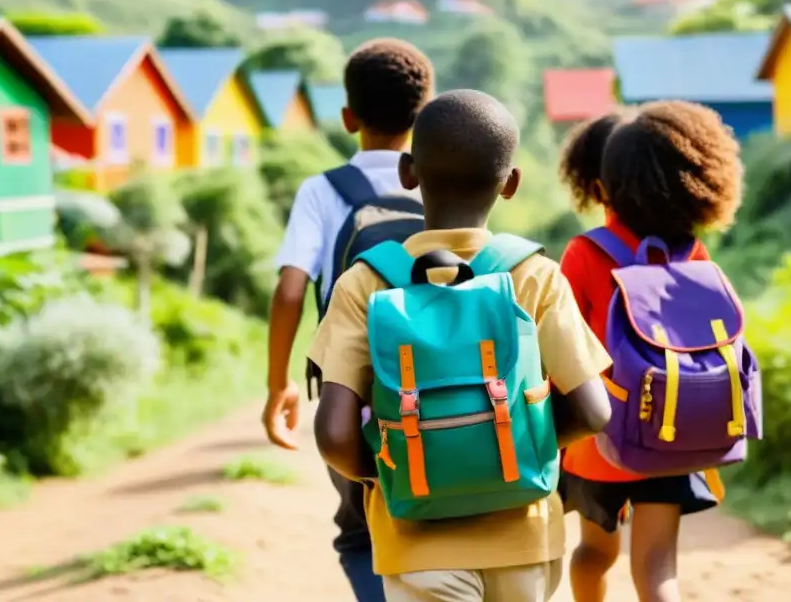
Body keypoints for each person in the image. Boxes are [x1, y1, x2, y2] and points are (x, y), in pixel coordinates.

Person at [311, 89, 614, 602]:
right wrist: (516, 452)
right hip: (525, 539)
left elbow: (336, 435)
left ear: (409, 172)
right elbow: (592, 412)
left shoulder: (365, 283)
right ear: (512, 183)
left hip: (415, 544)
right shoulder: (535, 276)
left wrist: (398, 468)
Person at [263, 38, 435, 601]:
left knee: (361, 531)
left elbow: (291, 288)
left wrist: (278, 385)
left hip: (354, 390)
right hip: (446, 378)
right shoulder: (443, 179)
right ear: (424, 115)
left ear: (348, 116)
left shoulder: (323, 190)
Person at [556, 103, 744, 602]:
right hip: (671, 433)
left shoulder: (585, 253)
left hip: (598, 441)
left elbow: (559, 347)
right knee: (658, 567)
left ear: (601, 187)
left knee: (594, 555)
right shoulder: (691, 252)